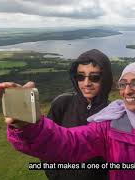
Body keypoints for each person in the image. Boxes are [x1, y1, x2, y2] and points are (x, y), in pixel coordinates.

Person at [0, 62, 135, 180]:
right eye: (123, 84)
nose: (127, 91)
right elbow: (67, 141)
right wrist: (28, 124)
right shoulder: (108, 125)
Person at [45, 49, 112, 180]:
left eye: (95, 77)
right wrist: (55, 175)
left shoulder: (111, 112)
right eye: (80, 77)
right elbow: (47, 143)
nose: (86, 83)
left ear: (105, 79)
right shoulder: (62, 104)